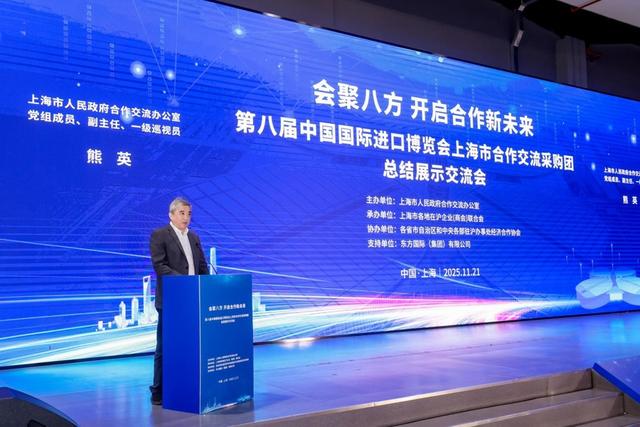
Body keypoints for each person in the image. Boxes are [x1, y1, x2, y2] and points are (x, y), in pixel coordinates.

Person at [149, 197, 209, 405]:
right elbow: (160, 266)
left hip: (193, 300)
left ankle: (186, 384)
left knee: (190, 345)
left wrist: (208, 286)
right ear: (171, 214)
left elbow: (202, 266)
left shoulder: (194, 237)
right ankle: (158, 390)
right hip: (172, 301)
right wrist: (185, 283)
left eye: (189, 213)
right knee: (165, 346)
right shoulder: (160, 235)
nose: (186, 217)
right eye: (182, 213)